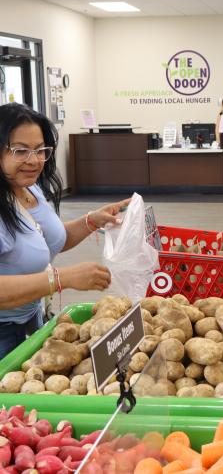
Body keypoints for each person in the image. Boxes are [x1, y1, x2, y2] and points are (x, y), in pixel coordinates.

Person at [0, 103, 129, 358]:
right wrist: (61, 279)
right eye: (20, 150)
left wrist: (92, 221)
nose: (34, 160)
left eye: (40, 150)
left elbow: (45, 241)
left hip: (31, 319)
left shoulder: (28, 187)